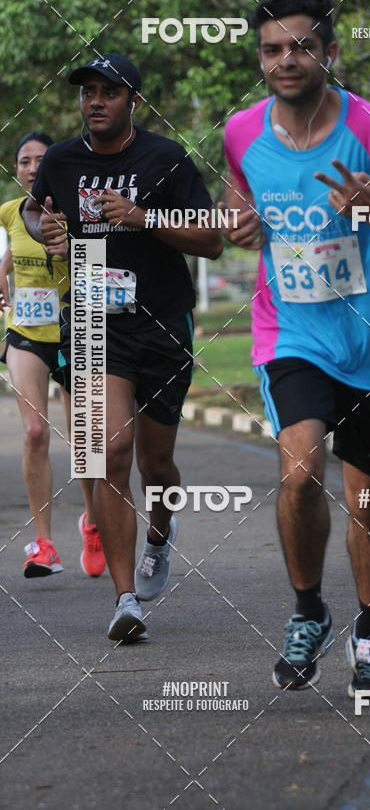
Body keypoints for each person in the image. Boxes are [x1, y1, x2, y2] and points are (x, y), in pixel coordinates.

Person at [223, 0, 370, 696]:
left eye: (301, 46)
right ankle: (307, 612)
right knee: (299, 472)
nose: (285, 60)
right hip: (289, 332)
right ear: (260, 59)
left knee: (366, 495)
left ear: (329, 52)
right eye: (271, 49)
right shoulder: (241, 132)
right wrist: (239, 225)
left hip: (368, 340)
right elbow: (240, 203)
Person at [22, 54, 223, 643]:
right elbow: (36, 210)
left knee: (156, 464)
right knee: (110, 452)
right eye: (87, 91)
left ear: (134, 100)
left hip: (161, 322)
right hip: (93, 321)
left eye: (109, 92)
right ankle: (125, 600)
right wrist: (45, 229)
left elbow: (211, 240)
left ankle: (159, 534)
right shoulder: (62, 160)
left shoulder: (166, 159)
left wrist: (142, 217)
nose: (95, 101)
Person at [0, 133, 103, 578]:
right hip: (26, 333)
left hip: (76, 330)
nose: (32, 168)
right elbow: (13, 248)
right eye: (24, 161)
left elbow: (102, 263)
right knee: (35, 431)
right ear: (16, 169)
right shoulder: (9, 211)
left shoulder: (80, 210)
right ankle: (44, 543)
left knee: (86, 437)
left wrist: (74, 249)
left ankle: (93, 523)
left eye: (41, 160)